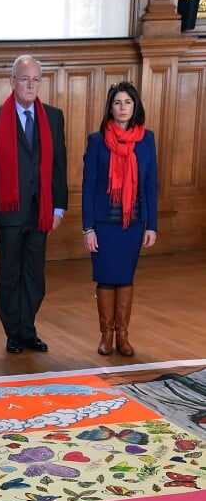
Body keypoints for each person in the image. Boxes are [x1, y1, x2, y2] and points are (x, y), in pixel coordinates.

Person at [0, 55, 68, 354]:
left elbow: (58, 166)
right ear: (12, 82)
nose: (31, 85)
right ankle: (13, 332)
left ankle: (28, 330)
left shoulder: (53, 117)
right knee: (9, 274)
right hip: (8, 211)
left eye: (36, 80)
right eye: (25, 79)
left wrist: (58, 207)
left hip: (41, 211)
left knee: (34, 276)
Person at [82, 81, 157, 357]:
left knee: (125, 277)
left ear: (135, 106)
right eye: (117, 102)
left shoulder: (147, 139)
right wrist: (88, 227)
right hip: (103, 224)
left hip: (133, 224)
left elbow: (151, 183)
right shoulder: (97, 140)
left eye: (127, 102)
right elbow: (88, 186)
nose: (123, 107)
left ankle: (123, 335)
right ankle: (106, 336)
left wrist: (153, 225)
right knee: (105, 277)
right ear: (110, 108)